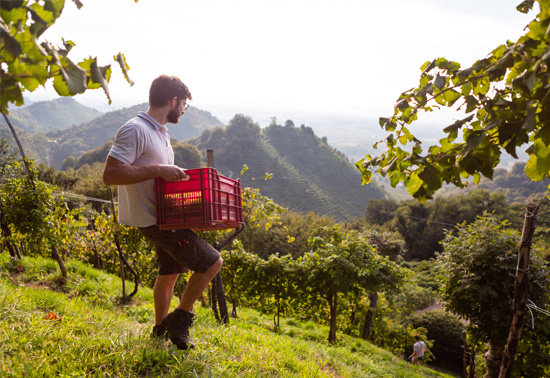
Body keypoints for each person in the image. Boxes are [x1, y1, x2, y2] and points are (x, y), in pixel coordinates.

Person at [102, 74, 222, 350]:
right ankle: (179, 321)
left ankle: (159, 329)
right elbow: (110, 175)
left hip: (165, 217)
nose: (183, 110)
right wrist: (159, 169)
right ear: (172, 100)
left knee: (170, 273)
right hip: (152, 219)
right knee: (212, 262)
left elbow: (161, 185)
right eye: (184, 105)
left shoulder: (160, 133)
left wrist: (194, 216)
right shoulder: (135, 129)